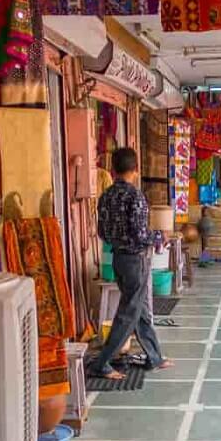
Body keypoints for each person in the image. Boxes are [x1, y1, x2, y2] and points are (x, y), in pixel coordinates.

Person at [87, 147, 173, 380]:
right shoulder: (135, 196)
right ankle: (102, 363)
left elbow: (102, 232)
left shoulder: (106, 196)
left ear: (113, 170)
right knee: (129, 313)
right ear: (135, 169)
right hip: (136, 260)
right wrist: (160, 236)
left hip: (118, 259)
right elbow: (140, 234)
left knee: (140, 308)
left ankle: (154, 356)